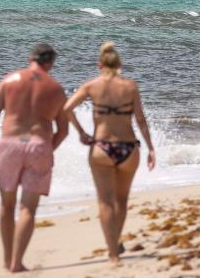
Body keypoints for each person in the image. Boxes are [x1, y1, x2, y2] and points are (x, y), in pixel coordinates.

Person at [63, 41, 156, 264]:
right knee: (121, 200)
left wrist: (81, 132)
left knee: (105, 202)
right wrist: (151, 148)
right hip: (128, 148)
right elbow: (141, 121)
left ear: (99, 64)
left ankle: (113, 254)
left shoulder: (91, 86)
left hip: (101, 149)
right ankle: (116, 240)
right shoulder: (130, 87)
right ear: (119, 64)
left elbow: (66, 108)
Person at [0, 42, 68, 273]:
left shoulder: (9, 80)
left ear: (30, 58)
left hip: (10, 145)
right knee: (28, 209)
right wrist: (48, 149)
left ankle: (6, 259)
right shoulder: (56, 88)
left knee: (6, 206)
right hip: (39, 146)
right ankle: (17, 262)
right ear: (51, 63)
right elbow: (63, 130)